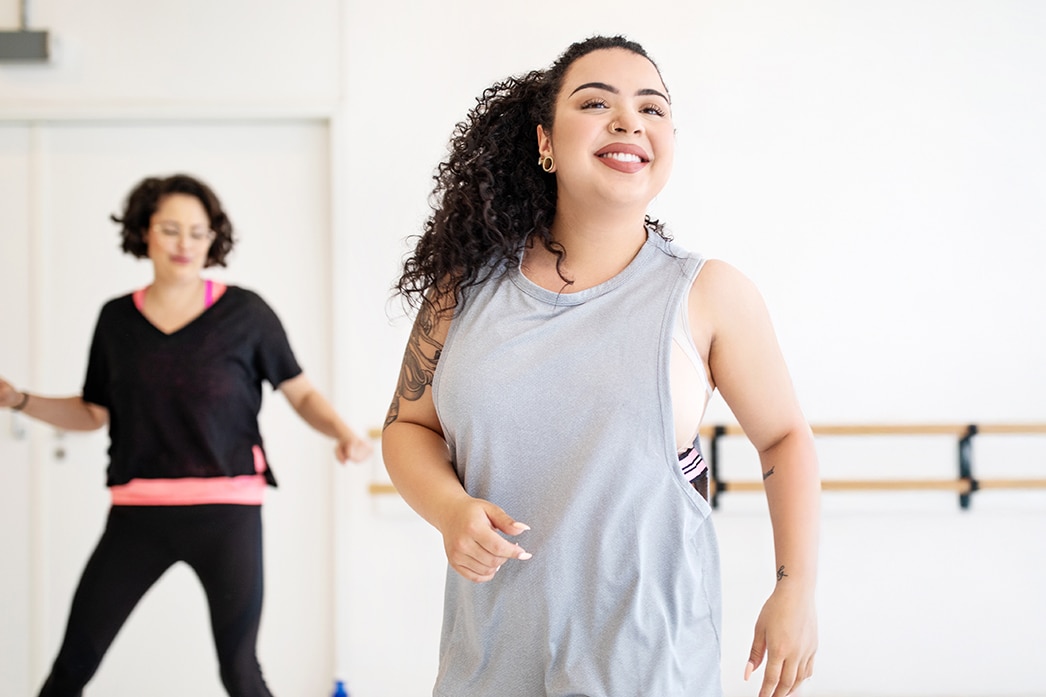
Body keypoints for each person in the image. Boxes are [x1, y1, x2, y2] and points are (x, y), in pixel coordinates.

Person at [382, 35, 821, 697]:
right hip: (488, 663)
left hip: (648, 667)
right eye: (596, 102)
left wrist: (796, 591)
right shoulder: (460, 290)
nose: (629, 121)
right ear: (546, 143)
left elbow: (785, 439)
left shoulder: (711, 294)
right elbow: (407, 426)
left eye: (652, 108)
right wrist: (450, 510)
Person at [0, 173, 372, 697]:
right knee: (71, 667)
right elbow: (91, 413)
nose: (185, 244)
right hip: (136, 516)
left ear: (213, 238)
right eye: (171, 229)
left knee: (240, 672)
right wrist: (18, 400)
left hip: (227, 514)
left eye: (198, 232)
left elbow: (301, 392)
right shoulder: (115, 321)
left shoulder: (247, 313)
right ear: (144, 233)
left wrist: (341, 432)